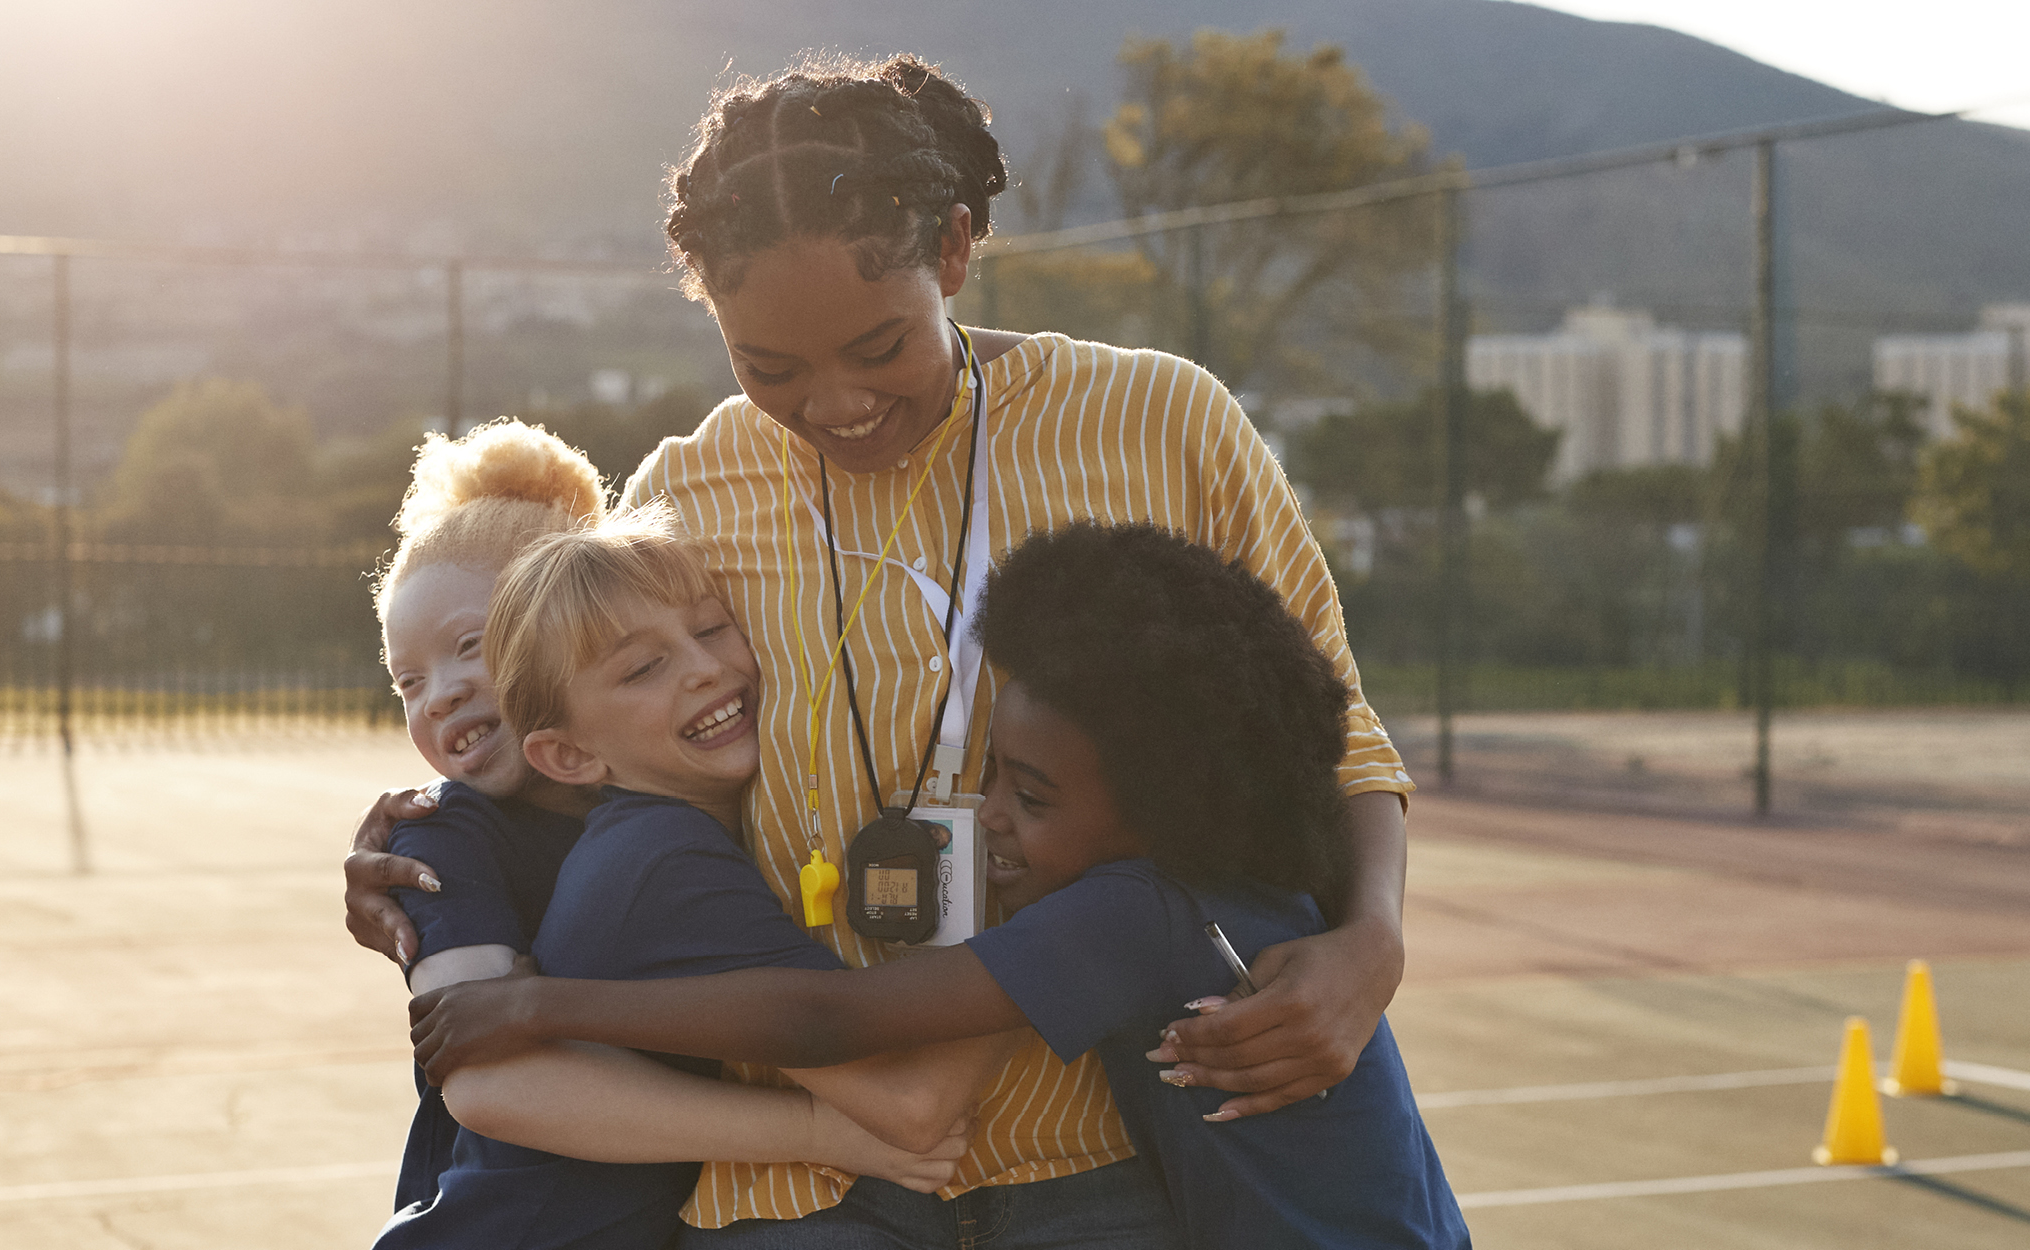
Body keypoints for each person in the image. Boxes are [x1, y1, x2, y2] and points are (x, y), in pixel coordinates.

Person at [349, 54, 1416, 1245]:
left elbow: (1335, 729)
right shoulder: (686, 491)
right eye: (771, 368)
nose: (834, 402)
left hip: (1106, 1155)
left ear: (953, 250)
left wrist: (1368, 940)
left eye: (877, 346)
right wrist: (428, 840)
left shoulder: (1160, 422)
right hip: (794, 1190)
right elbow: (577, 730)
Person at [413, 522, 1471, 1249]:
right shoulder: (656, 861)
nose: (702, 667)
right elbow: (902, 1090)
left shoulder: (1138, 908)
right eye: (641, 667)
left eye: (708, 628)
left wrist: (547, 999)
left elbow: (845, 1022)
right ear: (566, 755)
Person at [367, 421, 974, 1248]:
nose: (436, 695)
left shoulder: (660, 801)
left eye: (471, 646)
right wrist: (821, 1132)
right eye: (407, 680)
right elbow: (489, 1089)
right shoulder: (449, 833)